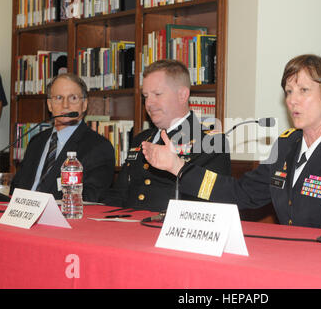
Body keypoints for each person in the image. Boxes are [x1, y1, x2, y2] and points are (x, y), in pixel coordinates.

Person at [141, 54, 321, 230]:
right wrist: (177, 167)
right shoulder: (286, 146)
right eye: (288, 91)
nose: (292, 100)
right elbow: (239, 193)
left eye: (303, 90)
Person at [99, 59, 231, 211]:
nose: (149, 103)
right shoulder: (141, 139)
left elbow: (209, 204)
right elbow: (119, 195)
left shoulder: (210, 141)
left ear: (182, 95)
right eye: (146, 96)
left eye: (157, 94)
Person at [10, 73, 115, 201]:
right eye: (59, 98)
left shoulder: (98, 147)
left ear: (84, 104)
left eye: (73, 98)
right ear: (49, 105)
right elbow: (16, 187)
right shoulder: (36, 141)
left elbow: (91, 198)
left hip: (62, 218)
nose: (65, 105)